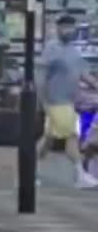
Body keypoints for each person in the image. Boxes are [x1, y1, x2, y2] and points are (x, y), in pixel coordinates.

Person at [37, 16, 98, 189]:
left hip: (68, 101)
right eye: (64, 27)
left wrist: (95, 84)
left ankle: (29, 173)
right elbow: (41, 76)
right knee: (72, 137)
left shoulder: (74, 51)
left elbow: (83, 74)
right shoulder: (51, 49)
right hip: (56, 101)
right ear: (57, 28)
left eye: (71, 27)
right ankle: (80, 175)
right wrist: (42, 101)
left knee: (47, 140)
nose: (68, 30)